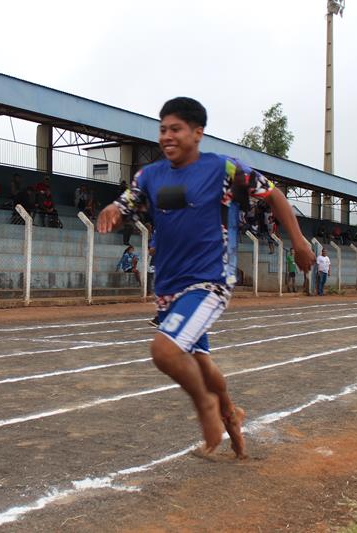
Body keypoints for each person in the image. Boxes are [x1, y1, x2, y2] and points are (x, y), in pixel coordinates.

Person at [97, 97, 314, 458]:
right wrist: (113, 209)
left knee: (165, 351)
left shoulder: (224, 169)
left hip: (210, 278)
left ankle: (208, 411)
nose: (167, 136)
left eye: (176, 129)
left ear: (198, 133)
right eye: (163, 129)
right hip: (169, 285)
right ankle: (233, 421)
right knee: (199, 360)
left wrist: (299, 240)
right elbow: (128, 201)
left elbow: (273, 194)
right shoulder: (149, 176)